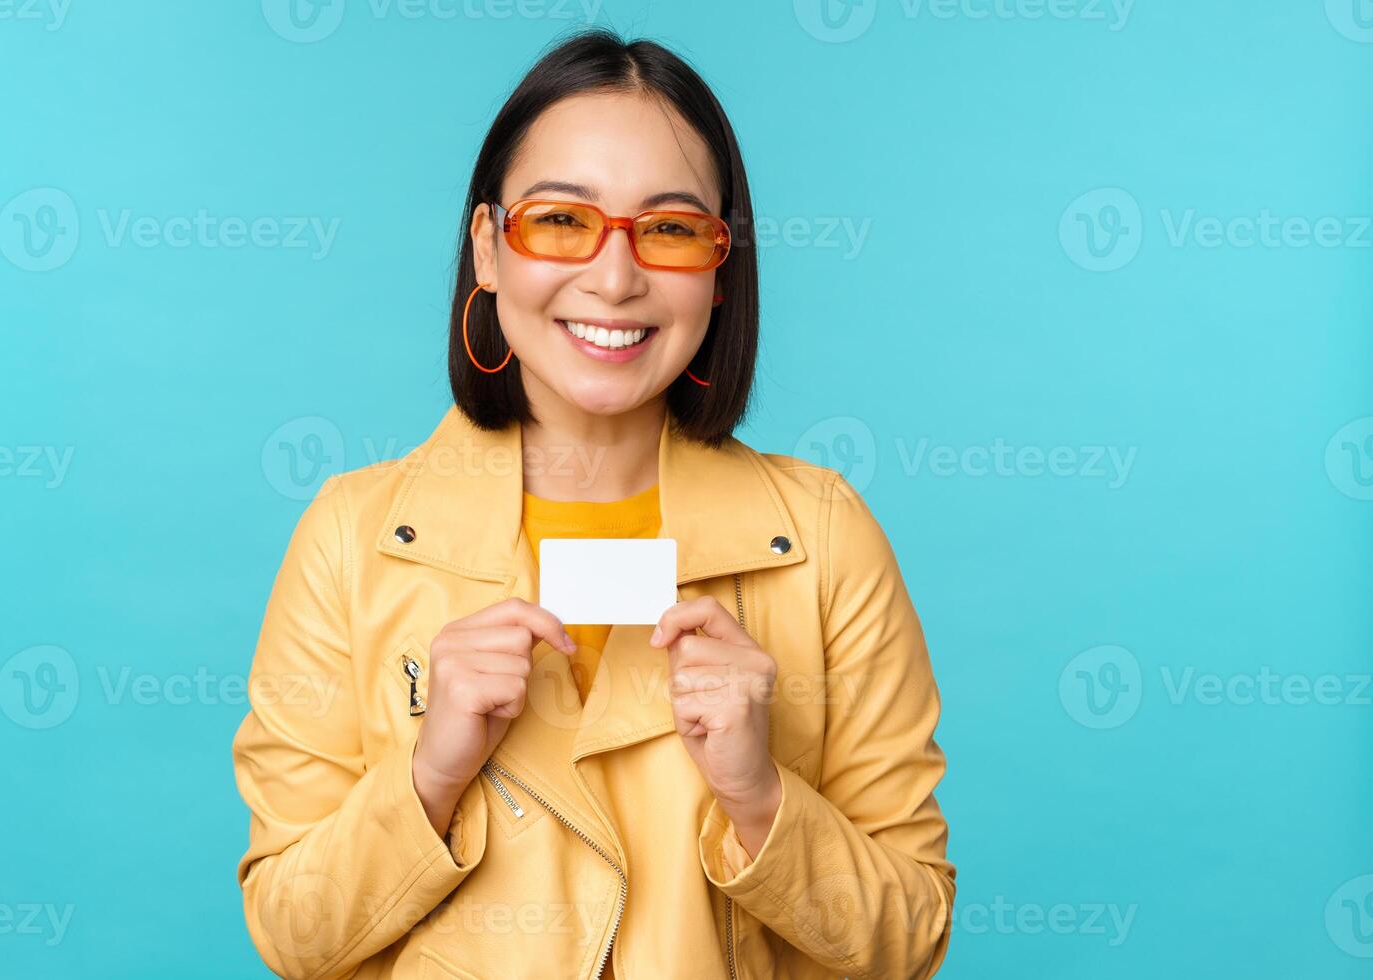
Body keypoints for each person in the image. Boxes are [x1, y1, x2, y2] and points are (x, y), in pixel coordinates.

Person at [232, 28, 955, 980]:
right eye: (562, 221)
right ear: (488, 248)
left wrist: (760, 796)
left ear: (719, 270)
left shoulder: (820, 538)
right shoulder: (353, 536)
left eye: (669, 228)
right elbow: (294, 935)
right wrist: (428, 777)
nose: (615, 279)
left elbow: (911, 937)